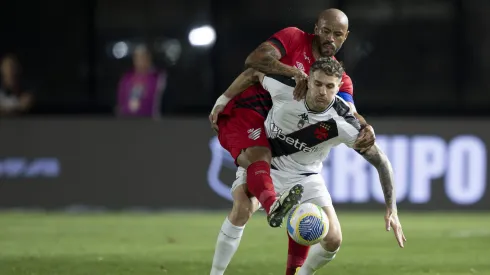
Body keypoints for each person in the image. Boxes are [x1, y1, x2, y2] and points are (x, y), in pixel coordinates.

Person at [209, 8, 376, 275]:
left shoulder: (339, 79)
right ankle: (271, 205)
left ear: (346, 37)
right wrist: (225, 99)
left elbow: (349, 112)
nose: (330, 38)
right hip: (252, 110)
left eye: (338, 34)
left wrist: (366, 126)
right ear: (316, 28)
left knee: (315, 224)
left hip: (287, 141)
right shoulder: (293, 37)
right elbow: (254, 62)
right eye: (326, 31)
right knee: (245, 197)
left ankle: (294, 267)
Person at [214, 58, 406, 275]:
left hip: (305, 177)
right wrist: (224, 99)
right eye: (318, 83)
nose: (322, 91)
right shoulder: (286, 86)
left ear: (338, 88)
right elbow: (254, 71)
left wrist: (392, 209)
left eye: (330, 86)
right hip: (267, 165)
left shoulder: (344, 122)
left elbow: (381, 161)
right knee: (242, 208)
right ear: (309, 79)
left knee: (333, 239)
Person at [116, 45, 167, 119]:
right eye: (138, 58)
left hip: (149, 120)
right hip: (127, 120)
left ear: (149, 59)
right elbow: (121, 99)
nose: (140, 61)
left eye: (143, 57)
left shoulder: (157, 78)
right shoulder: (127, 78)